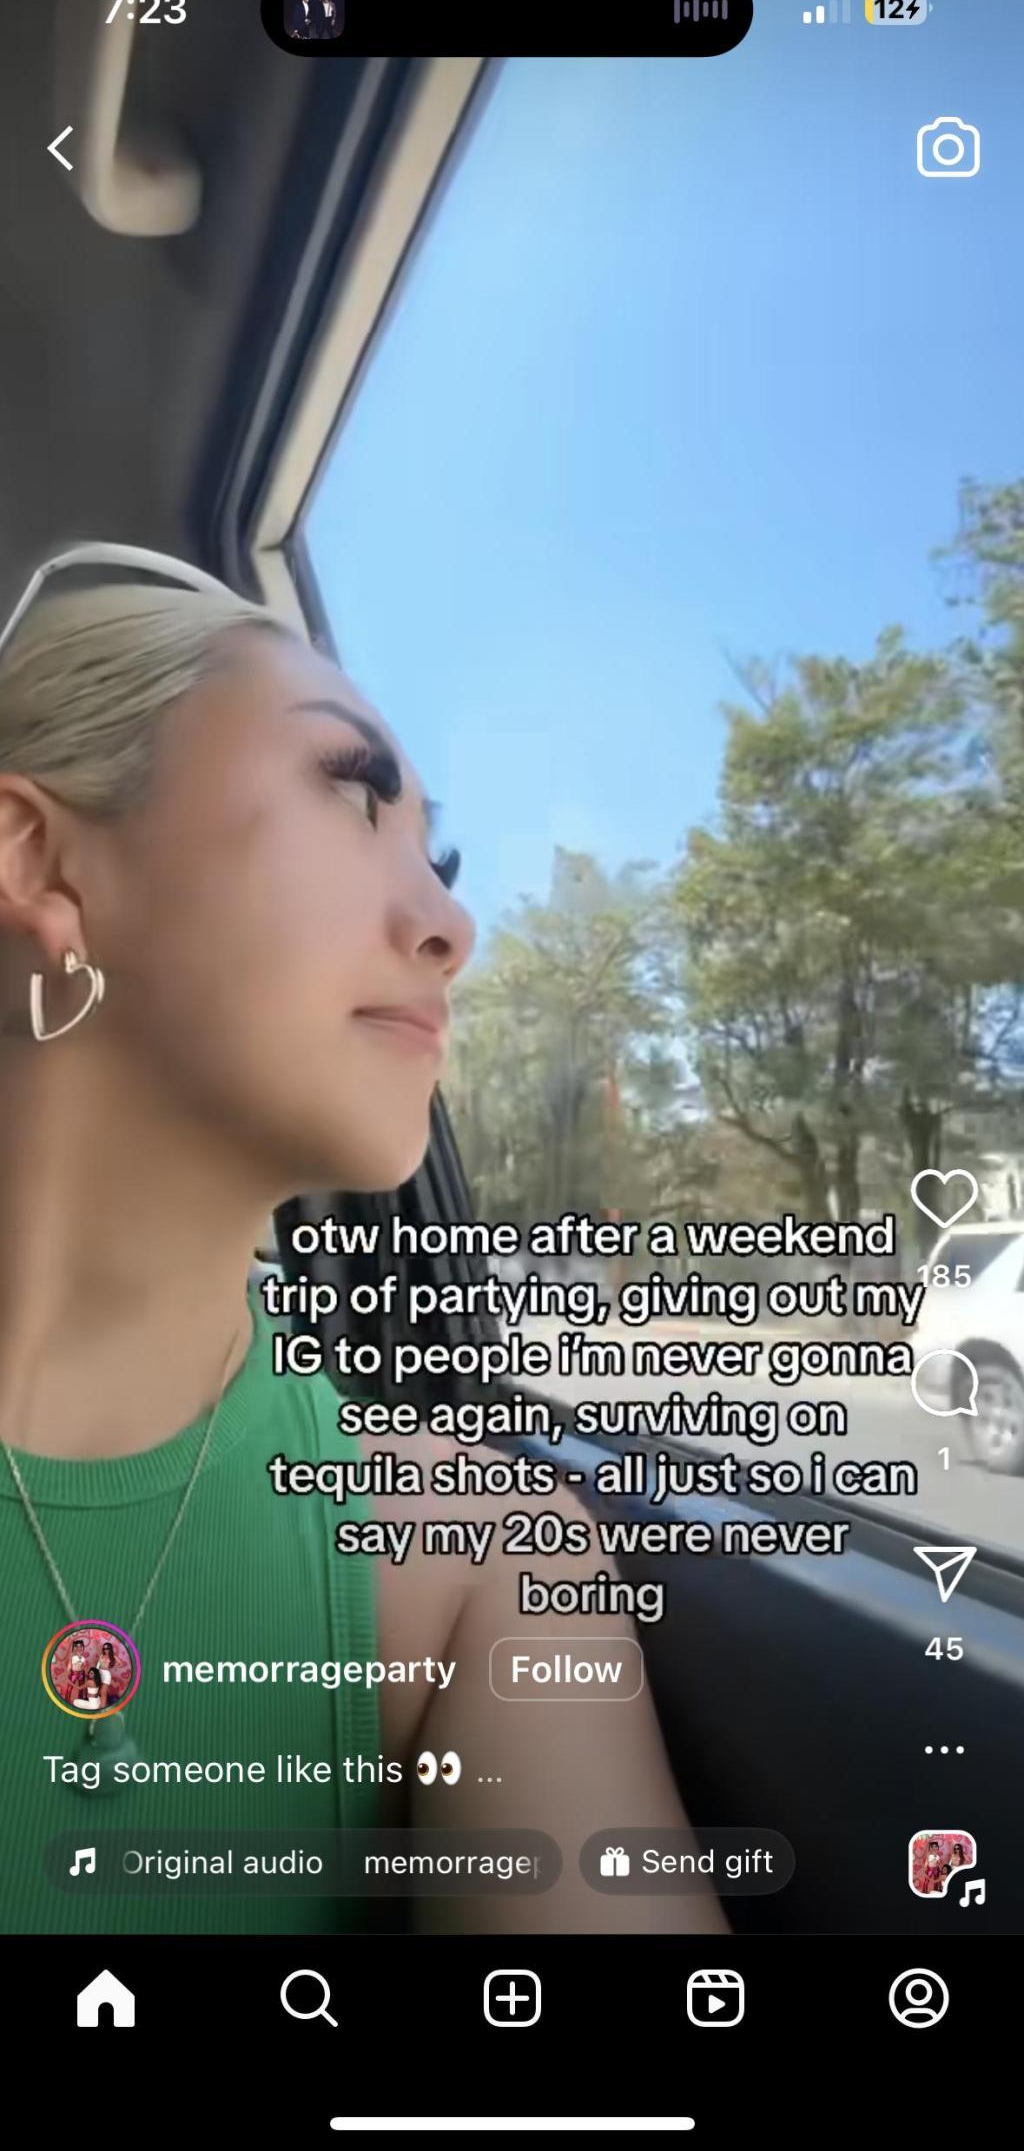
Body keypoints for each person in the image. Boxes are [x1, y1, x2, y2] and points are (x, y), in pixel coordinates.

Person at [0, 559, 726, 1937]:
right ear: (37, 859)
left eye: (435, 860)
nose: (452, 929)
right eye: (349, 794)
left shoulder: (478, 1563)